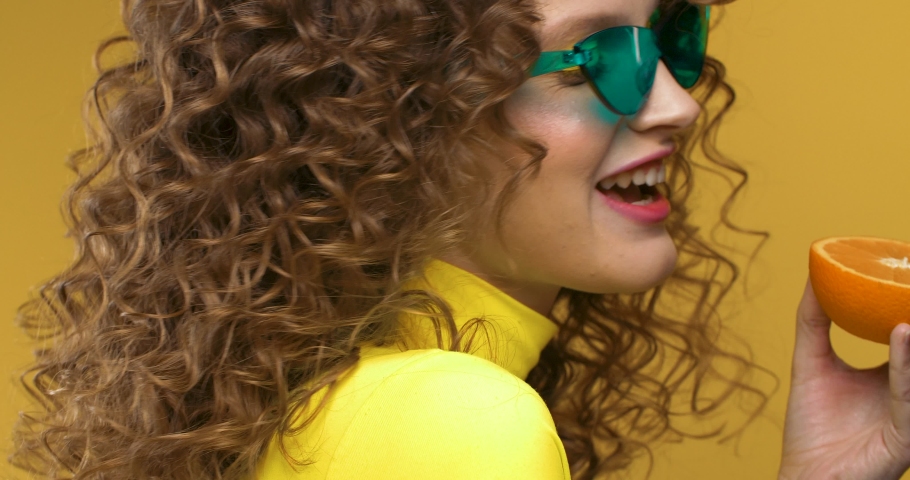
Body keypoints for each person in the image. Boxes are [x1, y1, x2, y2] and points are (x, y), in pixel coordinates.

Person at [10, 0, 910, 478]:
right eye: (598, 58)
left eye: (673, 40)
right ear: (404, 115)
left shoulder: (339, 402)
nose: (678, 102)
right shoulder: (460, 425)